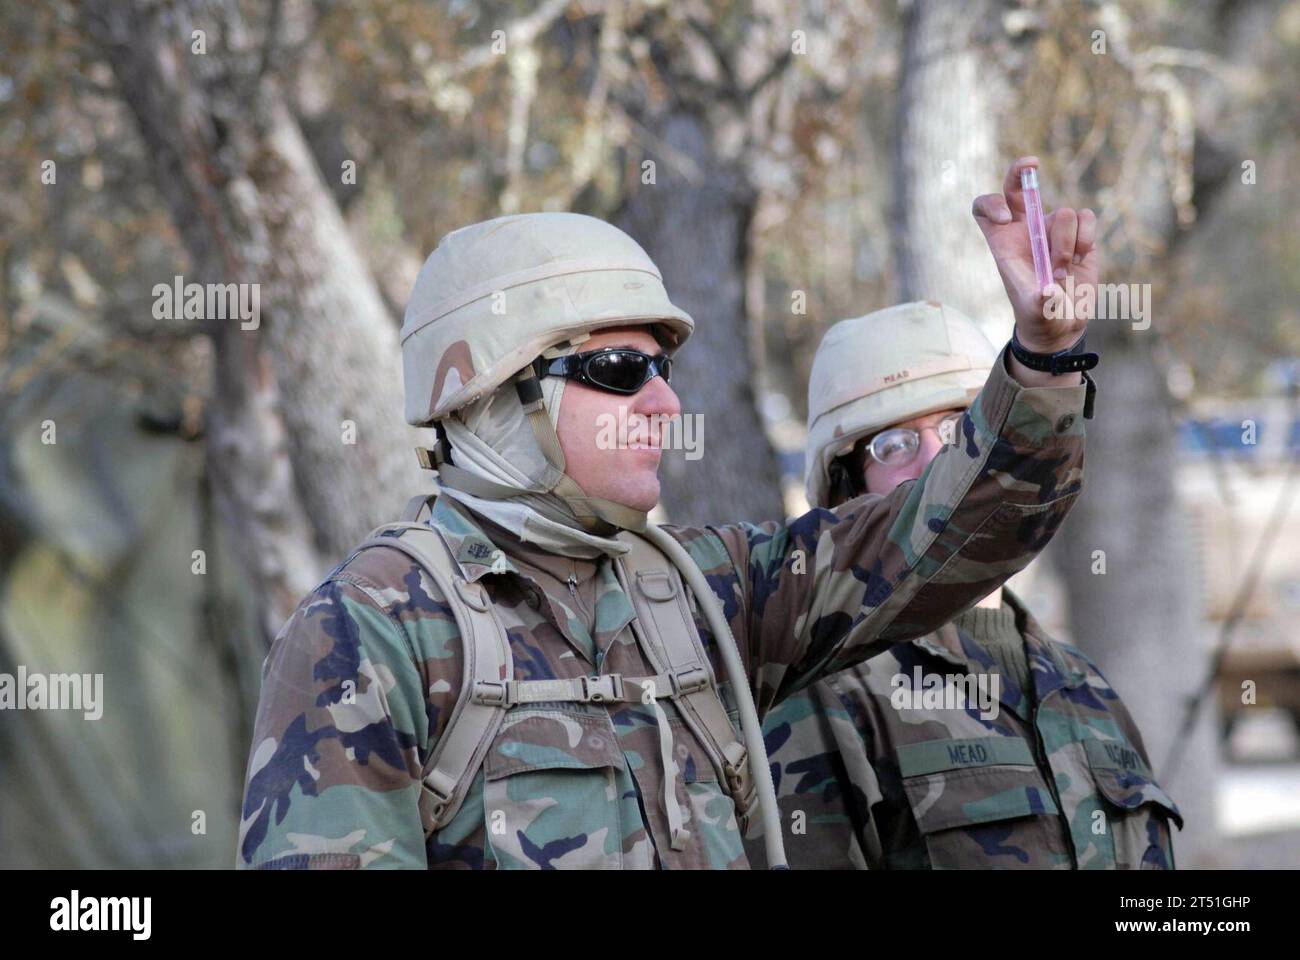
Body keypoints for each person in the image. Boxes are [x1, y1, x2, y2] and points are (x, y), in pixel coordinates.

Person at [237, 157, 1097, 869]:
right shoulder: (372, 628)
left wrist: (1041, 361)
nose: (658, 402)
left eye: (663, 371)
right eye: (616, 368)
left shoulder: (705, 593)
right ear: (493, 396)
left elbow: (949, 536)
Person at [745, 300, 1182, 870]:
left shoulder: (1085, 689)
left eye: (961, 427)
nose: (940, 460)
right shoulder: (823, 697)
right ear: (847, 491)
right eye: (895, 444)